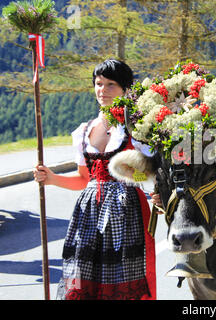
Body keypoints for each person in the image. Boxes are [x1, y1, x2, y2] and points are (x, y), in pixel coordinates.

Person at [33, 59, 157, 300]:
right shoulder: (84, 131)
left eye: (111, 84)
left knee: (123, 283)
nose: (103, 90)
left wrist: (143, 183)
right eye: (99, 84)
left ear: (126, 89)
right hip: (88, 212)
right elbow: (84, 179)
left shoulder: (137, 128)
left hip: (127, 210)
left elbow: (152, 172)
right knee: (82, 278)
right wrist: (51, 178)